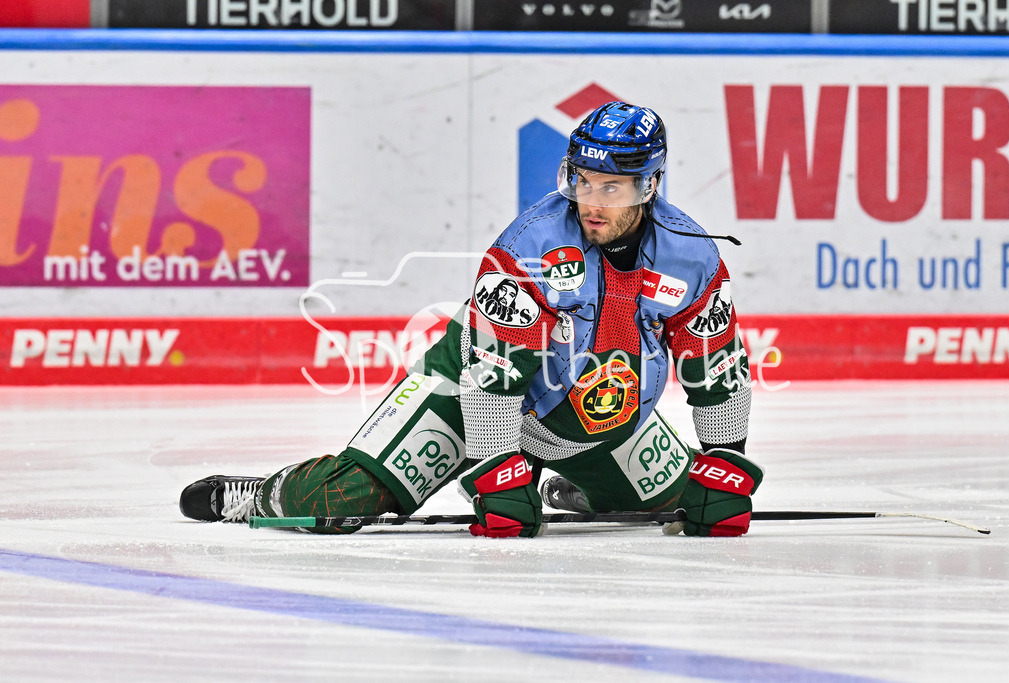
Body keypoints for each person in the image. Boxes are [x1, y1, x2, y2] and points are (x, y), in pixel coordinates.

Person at [179, 102, 761, 538]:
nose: (591, 200)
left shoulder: (692, 255)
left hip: (606, 418)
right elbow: (491, 372)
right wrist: (497, 466)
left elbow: (717, 365)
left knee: (686, 496)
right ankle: (261, 496)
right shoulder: (530, 245)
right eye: (582, 181)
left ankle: (584, 487)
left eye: (611, 186)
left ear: (649, 187)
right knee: (340, 502)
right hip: (468, 400)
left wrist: (726, 461)